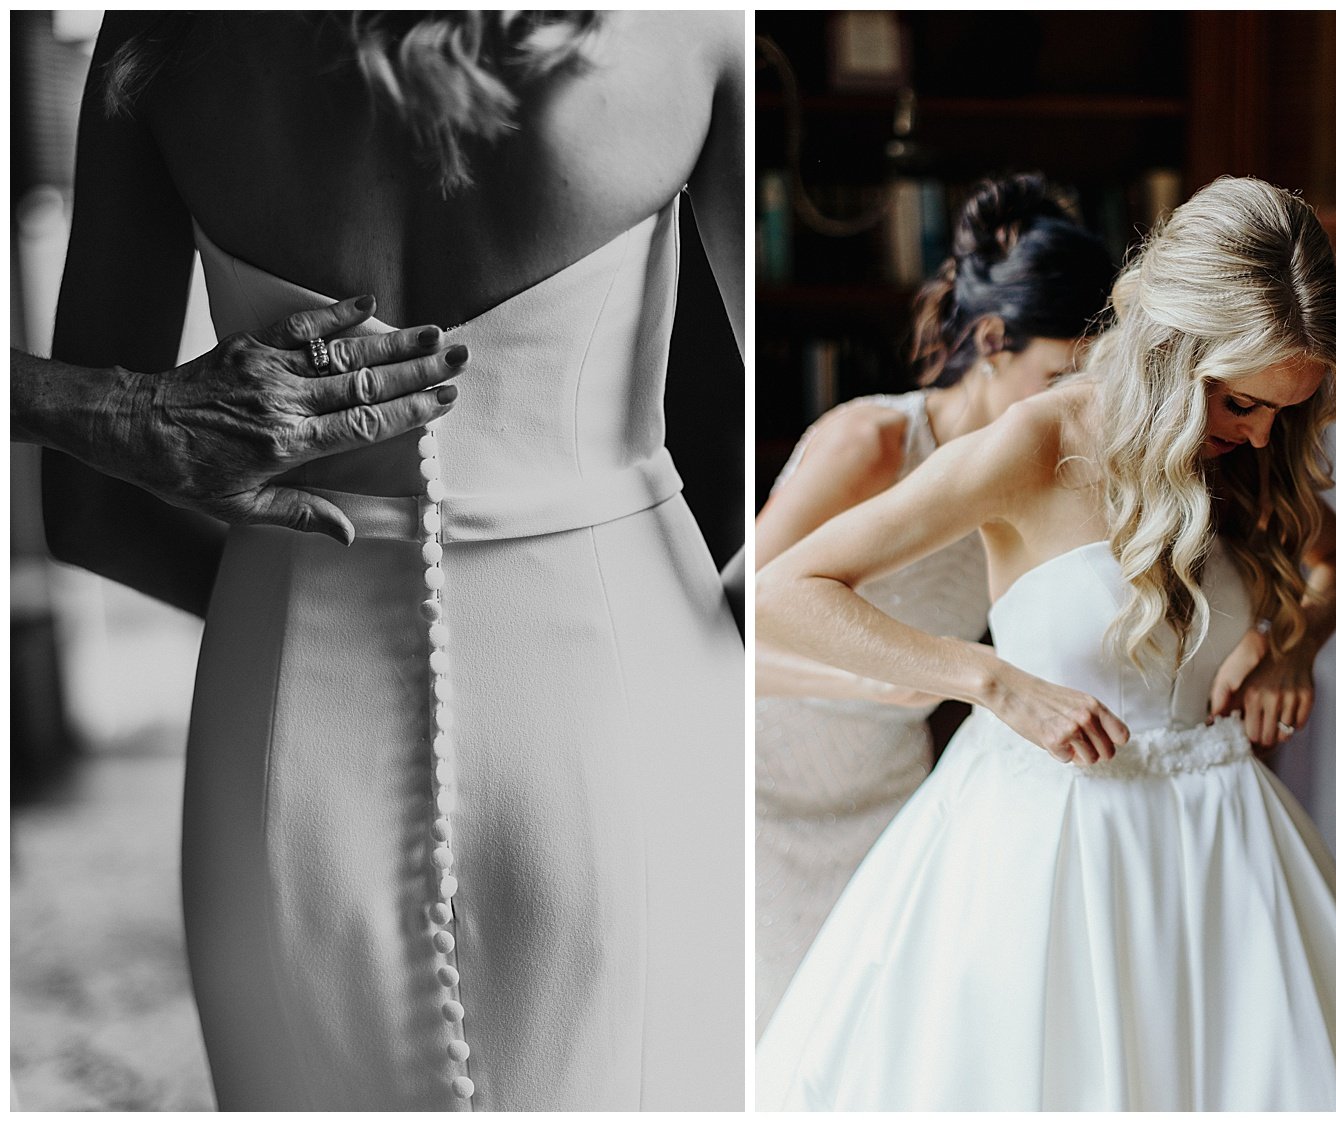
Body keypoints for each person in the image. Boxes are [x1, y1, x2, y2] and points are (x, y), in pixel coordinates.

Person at [44, 11, 743, 1111]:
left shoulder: (169, 36)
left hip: (286, 732)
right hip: (623, 700)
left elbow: (87, 510)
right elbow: (799, 502)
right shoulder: (688, 31)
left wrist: (288, 595)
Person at [755, 177, 1336, 1110]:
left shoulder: (1245, 454)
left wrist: (1293, 645)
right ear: (1173, 351)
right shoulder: (1033, 444)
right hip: (1043, 848)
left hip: (1219, 848)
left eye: (1285, 408)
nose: (1260, 432)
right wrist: (988, 680)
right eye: (1239, 402)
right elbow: (784, 591)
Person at [753, 173, 1114, 1035]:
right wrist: (876, 685)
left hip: (895, 795)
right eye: (1060, 373)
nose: (1077, 403)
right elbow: (722, 632)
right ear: (992, 340)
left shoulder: (1044, 472)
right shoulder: (870, 444)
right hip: (770, 798)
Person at [14, 298, 464, 544]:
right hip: (275, 625)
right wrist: (134, 410)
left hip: (271, 620)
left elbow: (89, 514)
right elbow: (89, 512)